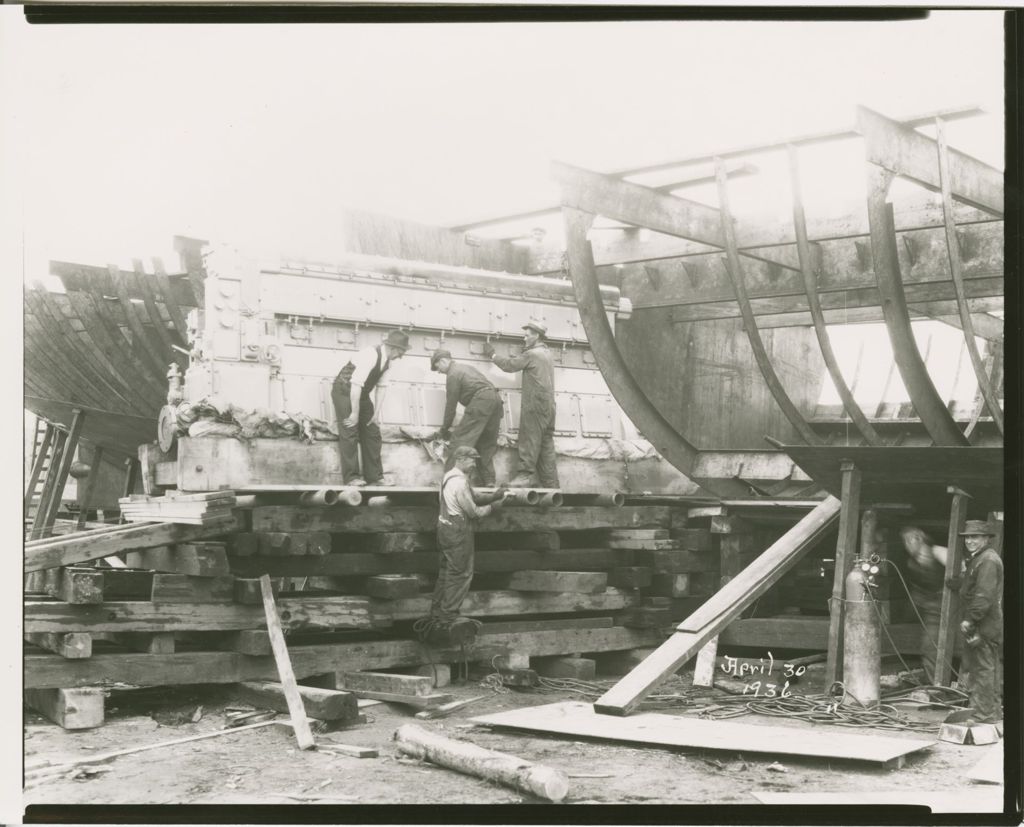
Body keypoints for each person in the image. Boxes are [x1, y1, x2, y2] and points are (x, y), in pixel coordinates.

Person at [414, 445, 508, 645]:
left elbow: (474, 496)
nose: (474, 464)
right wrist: (495, 507)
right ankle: (448, 616)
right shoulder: (459, 483)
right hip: (458, 532)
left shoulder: (450, 476)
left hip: (444, 529)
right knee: (462, 573)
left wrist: (495, 495)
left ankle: (437, 613)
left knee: (447, 572)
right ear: (462, 459)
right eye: (472, 460)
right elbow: (474, 512)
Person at [483, 321, 559, 489]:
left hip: (535, 405)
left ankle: (525, 477)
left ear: (537, 336)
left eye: (527, 335)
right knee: (546, 444)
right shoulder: (547, 354)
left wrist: (492, 355)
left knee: (529, 438)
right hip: (549, 406)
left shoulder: (533, 354)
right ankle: (551, 484)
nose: (524, 338)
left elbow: (509, 366)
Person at [330, 330, 409, 486]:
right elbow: (355, 384)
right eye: (401, 352)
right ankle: (351, 478)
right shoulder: (370, 355)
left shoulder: (389, 362)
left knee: (372, 431)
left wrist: (376, 414)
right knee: (350, 430)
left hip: (361, 394)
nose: (401, 356)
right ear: (392, 348)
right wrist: (354, 413)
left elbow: (381, 387)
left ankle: (374, 477)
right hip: (344, 391)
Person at [430, 349, 504, 487]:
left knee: (459, 441)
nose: (439, 371)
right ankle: (489, 482)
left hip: (481, 401)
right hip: (496, 401)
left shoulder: (452, 374)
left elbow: (450, 405)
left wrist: (444, 430)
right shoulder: (466, 368)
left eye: (437, 367)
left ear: (443, 361)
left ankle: (449, 482)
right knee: (485, 445)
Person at [956, 520, 1003, 724]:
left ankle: (983, 715)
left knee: (982, 669)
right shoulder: (980, 559)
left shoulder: (988, 560)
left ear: (986, 538)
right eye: (967, 537)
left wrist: (970, 620)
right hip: (986, 622)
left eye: (975, 537)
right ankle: (991, 713)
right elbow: (977, 588)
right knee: (987, 667)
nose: (970, 541)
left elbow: (983, 595)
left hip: (983, 623)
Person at [899, 526, 948, 684]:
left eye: (909, 540)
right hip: (932, 609)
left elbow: (963, 572)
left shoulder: (939, 552)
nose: (907, 545)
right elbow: (917, 590)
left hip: (950, 606)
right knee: (929, 648)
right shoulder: (911, 562)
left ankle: (944, 687)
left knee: (935, 647)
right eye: (905, 542)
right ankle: (935, 686)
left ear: (920, 539)